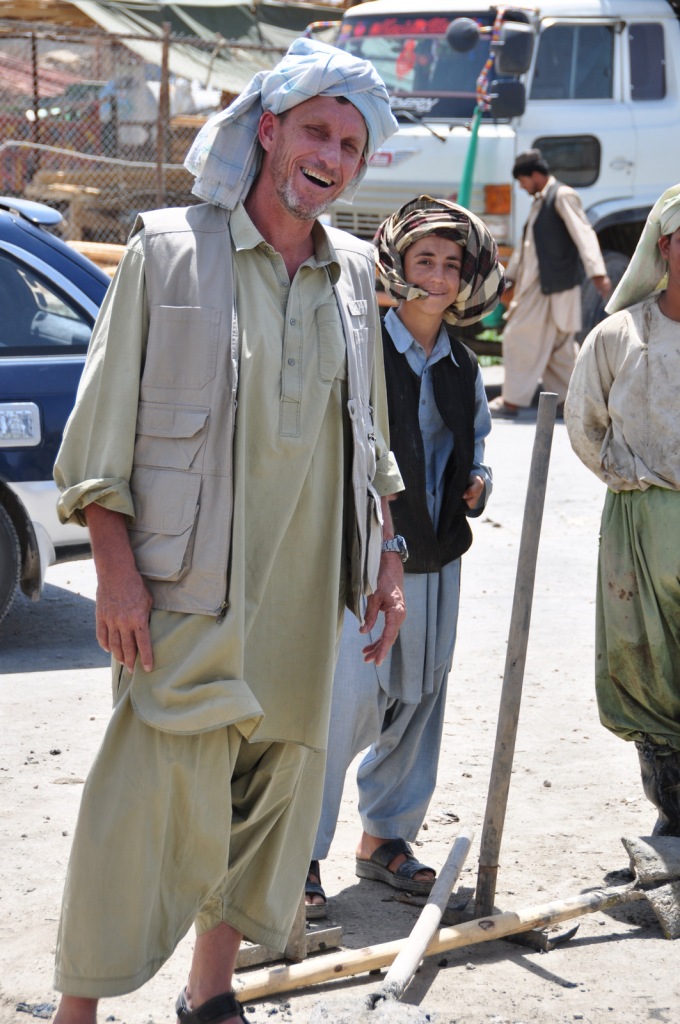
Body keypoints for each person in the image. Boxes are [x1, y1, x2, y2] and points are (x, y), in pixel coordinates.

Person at [50, 38, 406, 1024]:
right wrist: (116, 574)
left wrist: (386, 560)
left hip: (304, 601)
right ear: (266, 130)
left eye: (350, 140)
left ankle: (210, 995)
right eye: (313, 131)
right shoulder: (170, 252)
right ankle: (77, 1011)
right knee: (139, 807)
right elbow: (96, 443)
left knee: (272, 806)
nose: (330, 154)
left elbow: (369, 441)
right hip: (186, 595)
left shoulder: (351, 278)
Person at [306, 195, 504, 917]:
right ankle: (299, 856)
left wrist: (480, 479)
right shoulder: (361, 347)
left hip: (438, 554)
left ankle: (384, 839)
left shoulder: (461, 361)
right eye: (425, 259)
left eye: (452, 263)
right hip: (364, 556)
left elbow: (476, 440)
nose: (440, 275)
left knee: (420, 698)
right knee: (345, 705)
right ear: (394, 263)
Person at [565, 183, 680, 837]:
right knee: (646, 669)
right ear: (663, 247)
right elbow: (586, 425)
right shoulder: (619, 335)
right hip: (640, 525)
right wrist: (632, 479)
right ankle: (672, 811)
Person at [489, 149, 611, 419]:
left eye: (522, 180)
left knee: (518, 338)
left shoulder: (562, 196)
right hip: (539, 287)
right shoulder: (539, 202)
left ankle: (511, 402)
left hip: (550, 288)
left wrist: (597, 272)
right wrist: (509, 279)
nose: (521, 187)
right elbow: (526, 248)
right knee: (559, 349)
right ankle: (571, 400)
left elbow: (584, 233)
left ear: (534, 175)